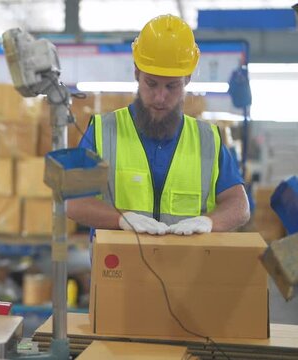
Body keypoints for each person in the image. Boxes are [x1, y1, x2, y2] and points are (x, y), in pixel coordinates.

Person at [67, 14, 250, 236]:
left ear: (187, 79)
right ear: (136, 73)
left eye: (172, 86)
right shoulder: (102, 131)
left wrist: (210, 222)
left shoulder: (208, 139)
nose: (160, 97)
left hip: (188, 268)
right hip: (120, 267)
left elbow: (239, 205)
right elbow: (74, 202)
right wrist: (121, 219)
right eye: (151, 84)